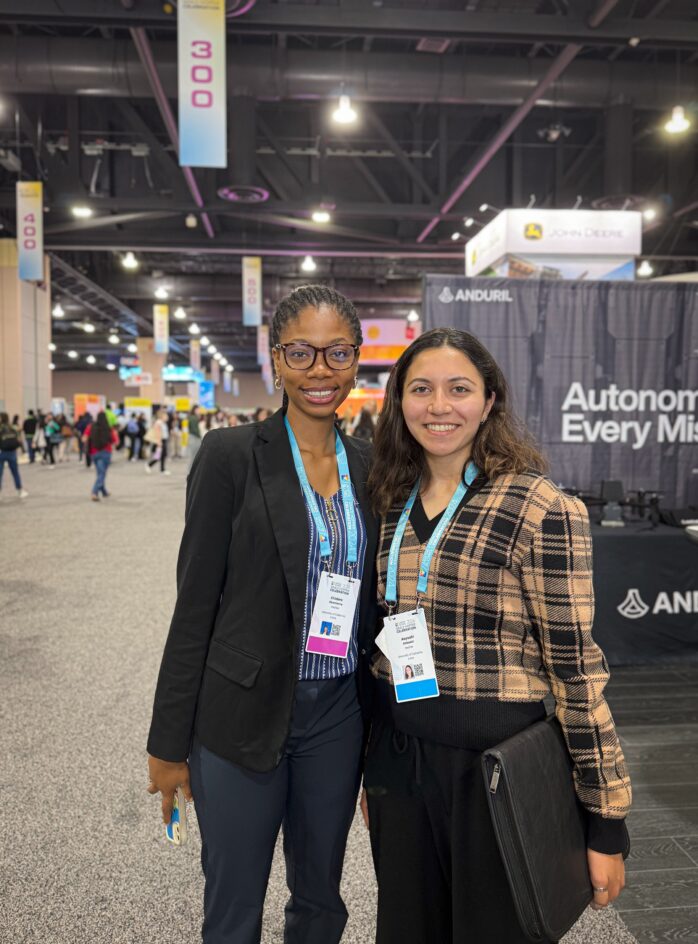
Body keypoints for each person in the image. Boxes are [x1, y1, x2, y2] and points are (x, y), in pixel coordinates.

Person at [362, 328, 631, 944]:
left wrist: (605, 820)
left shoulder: (540, 508)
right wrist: (369, 770)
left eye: (459, 390)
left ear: (489, 402)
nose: (438, 407)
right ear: (399, 401)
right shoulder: (389, 499)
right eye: (421, 389)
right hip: (399, 766)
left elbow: (576, 673)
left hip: (494, 773)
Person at [146, 285, 378, 944]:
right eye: (301, 352)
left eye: (337, 352)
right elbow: (194, 605)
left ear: (356, 360)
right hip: (241, 714)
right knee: (234, 901)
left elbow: (378, 605)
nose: (320, 370)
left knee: (321, 898)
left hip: (337, 716)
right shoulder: (230, 457)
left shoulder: (369, 464)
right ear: (277, 360)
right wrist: (167, 743)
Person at [84, 411, 119, 501]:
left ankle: (104, 491)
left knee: (100, 472)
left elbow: (84, 438)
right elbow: (116, 441)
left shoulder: (90, 427)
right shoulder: (108, 428)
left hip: (94, 453)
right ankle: (94, 492)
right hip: (105, 453)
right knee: (102, 473)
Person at [0, 413, 29, 499]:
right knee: (15, 472)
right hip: (12, 452)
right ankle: (19, 490)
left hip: (2, 452)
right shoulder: (13, 427)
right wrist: (22, 449)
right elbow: (19, 439)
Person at [145, 410, 170, 475]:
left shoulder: (163, 422)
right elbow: (157, 432)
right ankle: (150, 465)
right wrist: (159, 442)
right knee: (159, 455)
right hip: (160, 441)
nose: (167, 417)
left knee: (162, 455)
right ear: (162, 416)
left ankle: (161, 469)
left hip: (163, 440)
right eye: (166, 415)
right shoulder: (159, 422)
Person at [187, 405, 202, 470]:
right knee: (194, 455)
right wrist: (200, 436)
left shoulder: (191, 417)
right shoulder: (193, 418)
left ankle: (191, 470)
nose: (199, 411)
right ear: (195, 410)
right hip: (195, 438)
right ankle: (191, 471)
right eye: (198, 410)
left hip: (192, 437)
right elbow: (195, 429)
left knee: (193, 455)